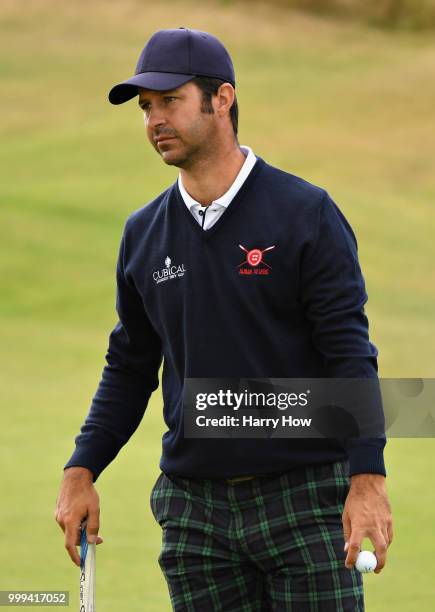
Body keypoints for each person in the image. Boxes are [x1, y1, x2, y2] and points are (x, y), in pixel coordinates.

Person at [55, 27, 393, 611]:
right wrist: (82, 467)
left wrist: (367, 479)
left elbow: (348, 354)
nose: (155, 119)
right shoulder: (143, 234)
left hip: (305, 497)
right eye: (146, 107)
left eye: (170, 101)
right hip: (194, 514)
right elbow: (131, 365)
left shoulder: (305, 213)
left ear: (222, 99)